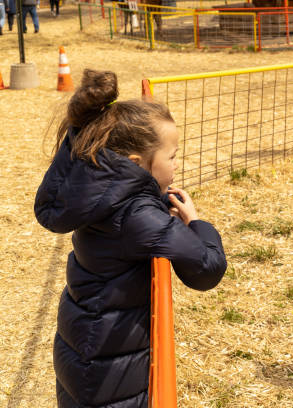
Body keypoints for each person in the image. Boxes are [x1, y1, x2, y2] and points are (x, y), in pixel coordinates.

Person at [34, 69, 227, 408]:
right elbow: (207, 268)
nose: (177, 164)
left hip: (89, 349)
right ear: (138, 163)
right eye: (172, 156)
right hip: (108, 373)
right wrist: (195, 222)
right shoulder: (137, 216)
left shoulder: (95, 188)